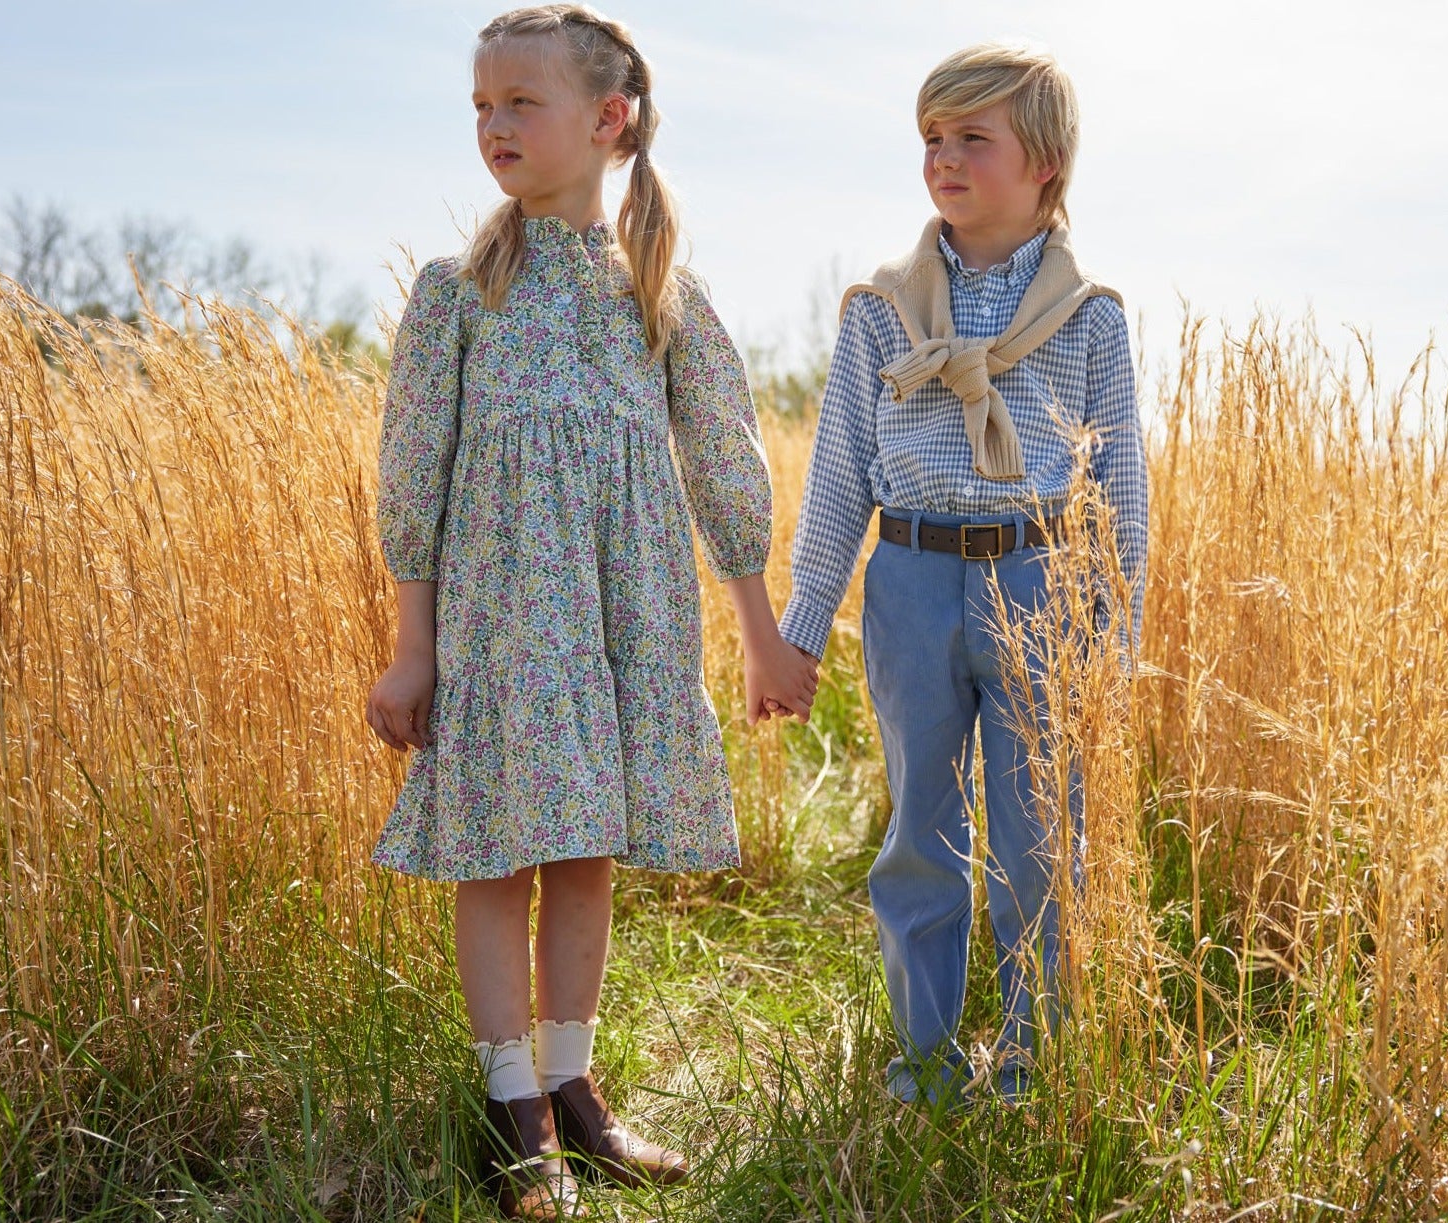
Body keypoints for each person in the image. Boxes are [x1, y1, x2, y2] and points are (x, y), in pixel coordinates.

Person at [364, 6, 817, 1216]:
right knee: (497, 851)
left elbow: (724, 466)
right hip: (502, 619)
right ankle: (513, 1116)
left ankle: (576, 1093)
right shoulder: (458, 291)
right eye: (480, 107)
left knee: (584, 852)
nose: (494, 126)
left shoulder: (662, 291)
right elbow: (411, 483)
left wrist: (759, 630)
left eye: (522, 103)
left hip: (627, 614)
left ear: (608, 121)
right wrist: (411, 654)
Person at [780, 42, 1148, 1109]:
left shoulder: (1088, 316)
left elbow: (1119, 485)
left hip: (1042, 583)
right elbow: (841, 471)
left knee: (1041, 837)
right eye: (931, 139)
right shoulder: (880, 310)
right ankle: (926, 1062)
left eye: (970, 138)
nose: (942, 157)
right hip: (910, 580)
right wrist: (804, 623)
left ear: (1043, 164)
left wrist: (1113, 636)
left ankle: (1035, 1060)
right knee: (918, 832)